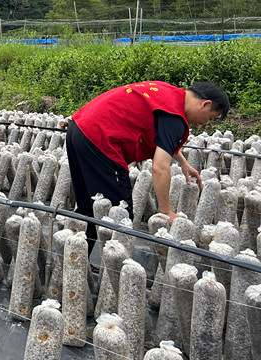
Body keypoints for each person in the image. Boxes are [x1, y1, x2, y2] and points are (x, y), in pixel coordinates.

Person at [67, 81, 229, 251]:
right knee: (120, 213)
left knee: (89, 205)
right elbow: (160, 167)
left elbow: (163, 140)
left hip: (79, 128)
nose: (204, 123)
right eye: (210, 118)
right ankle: (113, 266)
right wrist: (166, 210)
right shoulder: (175, 117)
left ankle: (76, 260)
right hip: (99, 139)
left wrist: (183, 162)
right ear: (206, 104)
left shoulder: (168, 95)